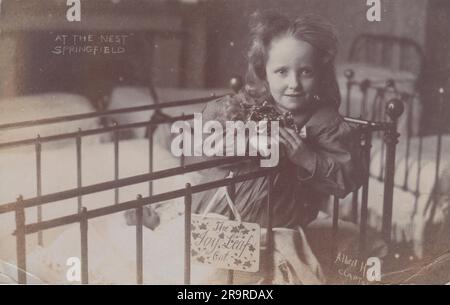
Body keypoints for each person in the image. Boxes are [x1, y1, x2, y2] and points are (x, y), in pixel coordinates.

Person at [126, 10, 369, 284]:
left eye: (306, 72)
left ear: (321, 73)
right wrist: (238, 141)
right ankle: (163, 222)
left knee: (224, 274)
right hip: (217, 208)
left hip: (271, 222)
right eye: (281, 72)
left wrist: (307, 157)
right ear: (263, 71)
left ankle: (180, 234)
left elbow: (347, 177)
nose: (294, 84)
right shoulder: (247, 105)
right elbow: (201, 141)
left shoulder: (323, 121)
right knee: (190, 220)